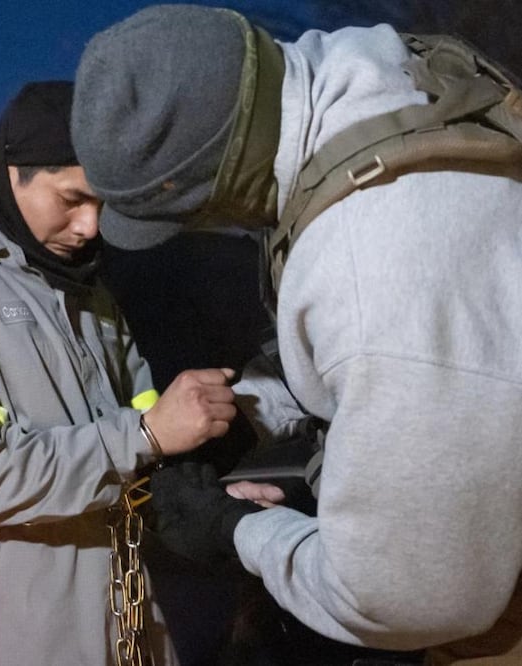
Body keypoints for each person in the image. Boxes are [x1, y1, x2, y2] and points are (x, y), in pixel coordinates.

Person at [71, 4, 522, 663]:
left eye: (190, 209)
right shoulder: (382, 79)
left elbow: (407, 597)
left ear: (220, 176)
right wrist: (257, 413)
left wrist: (238, 533)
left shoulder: (372, 269)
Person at [0, 80, 244, 665]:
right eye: (72, 199)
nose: (91, 226)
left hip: (126, 620)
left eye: (104, 204)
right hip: (0, 631)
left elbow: (144, 449)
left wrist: (203, 499)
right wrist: (142, 435)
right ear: (15, 172)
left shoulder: (85, 287)